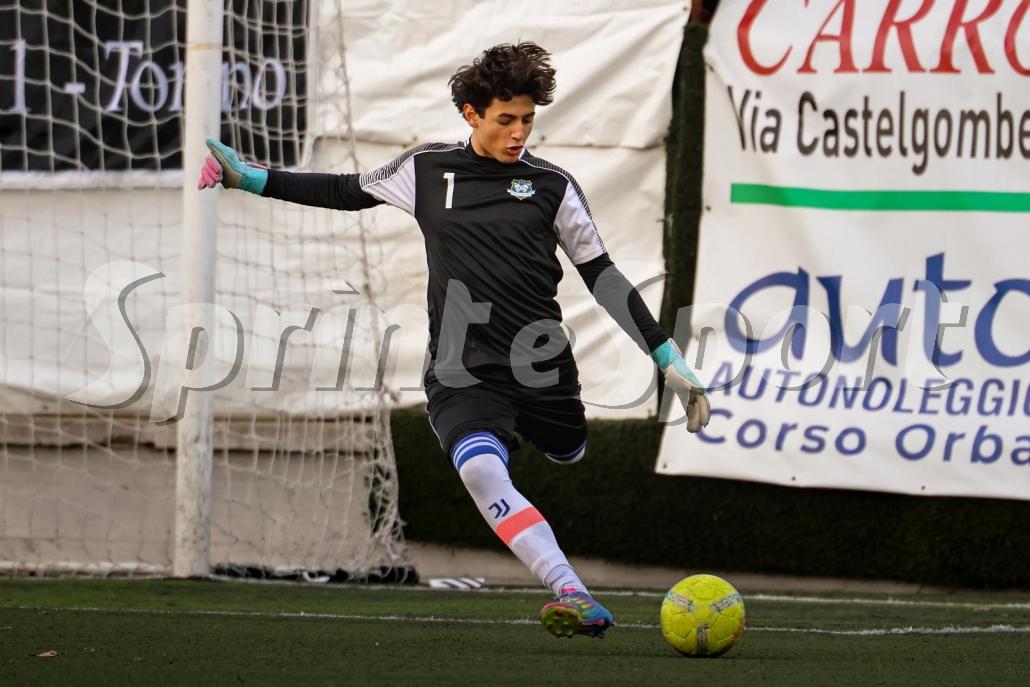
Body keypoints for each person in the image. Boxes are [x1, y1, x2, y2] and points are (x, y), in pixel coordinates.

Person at [198, 41, 710, 639]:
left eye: (528, 120)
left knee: (568, 450)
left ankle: (554, 440)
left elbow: (604, 276)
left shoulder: (552, 186)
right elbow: (343, 190)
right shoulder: (426, 170)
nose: (519, 133)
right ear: (471, 114)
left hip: (542, 366)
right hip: (460, 370)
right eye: (506, 119)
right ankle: (572, 592)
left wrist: (665, 355)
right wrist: (249, 178)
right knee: (482, 471)